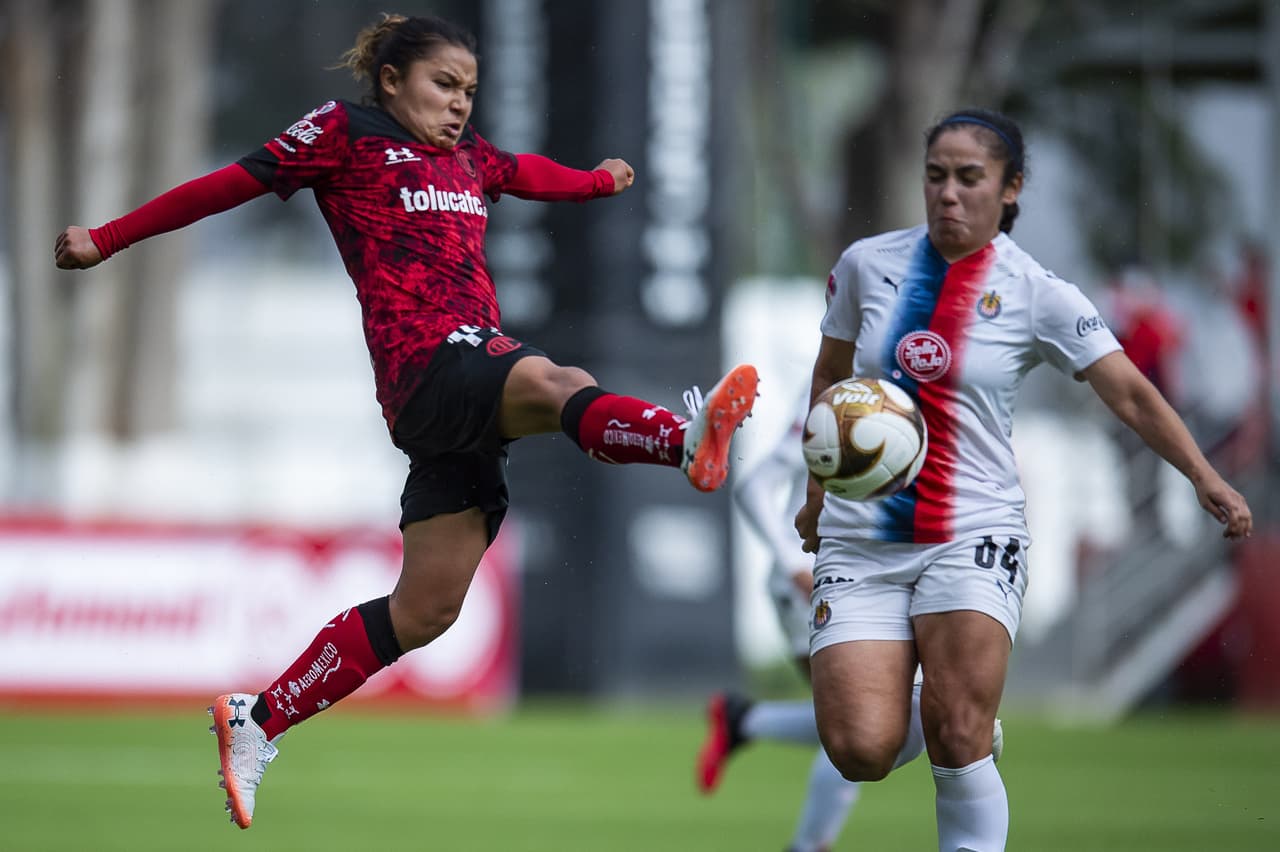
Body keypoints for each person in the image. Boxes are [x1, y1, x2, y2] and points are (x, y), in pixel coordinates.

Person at [53, 13, 758, 830]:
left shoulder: (467, 157)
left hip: (456, 395)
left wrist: (594, 183)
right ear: (391, 80)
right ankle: (682, 440)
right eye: (443, 85)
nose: (459, 105)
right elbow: (225, 185)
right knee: (560, 378)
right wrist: (108, 237)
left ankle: (257, 721)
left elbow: (524, 171)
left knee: (426, 610)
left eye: (469, 91)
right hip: (429, 366)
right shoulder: (342, 132)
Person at [794, 108, 1252, 852]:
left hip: (972, 529)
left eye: (969, 178)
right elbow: (830, 375)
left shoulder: (1039, 292)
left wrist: (1204, 477)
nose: (947, 193)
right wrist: (816, 489)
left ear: (1011, 189)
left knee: (957, 735)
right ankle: (949, 702)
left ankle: (962, 716)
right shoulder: (864, 265)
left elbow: (1129, 392)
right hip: (863, 537)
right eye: (935, 176)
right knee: (859, 748)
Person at [696, 390, 1001, 852]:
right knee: (869, 719)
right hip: (825, 574)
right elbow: (754, 486)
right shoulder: (843, 390)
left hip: (884, 571)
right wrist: (791, 563)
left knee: (868, 718)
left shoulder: (933, 381)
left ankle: (747, 722)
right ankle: (807, 841)